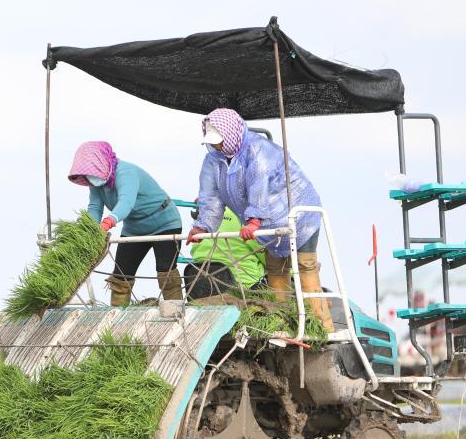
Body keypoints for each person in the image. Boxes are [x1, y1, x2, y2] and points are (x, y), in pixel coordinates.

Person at [185, 108, 334, 331]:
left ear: (230, 134)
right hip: (268, 227)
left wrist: (254, 219)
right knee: (276, 271)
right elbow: (211, 196)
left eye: (220, 142)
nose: (217, 146)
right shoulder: (213, 161)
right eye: (213, 143)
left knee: (305, 268)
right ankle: (283, 325)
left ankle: (322, 328)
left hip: (298, 216)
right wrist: (202, 227)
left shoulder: (257, 150)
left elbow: (259, 185)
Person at [68, 141, 183, 306]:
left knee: (166, 271)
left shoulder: (125, 173)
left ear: (102, 163)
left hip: (164, 222)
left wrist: (108, 221)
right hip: (134, 228)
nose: (91, 177)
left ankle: (176, 311)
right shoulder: (95, 182)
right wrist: (89, 231)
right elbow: (94, 207)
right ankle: (117, 312)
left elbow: (126, 202)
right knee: (121, 275)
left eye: (93, 171)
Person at [184, 206, 266, 300]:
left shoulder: (202, 221)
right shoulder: (246, 219)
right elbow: (269, 258)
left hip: (201, 291)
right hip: (244, 289)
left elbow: (195, 251)